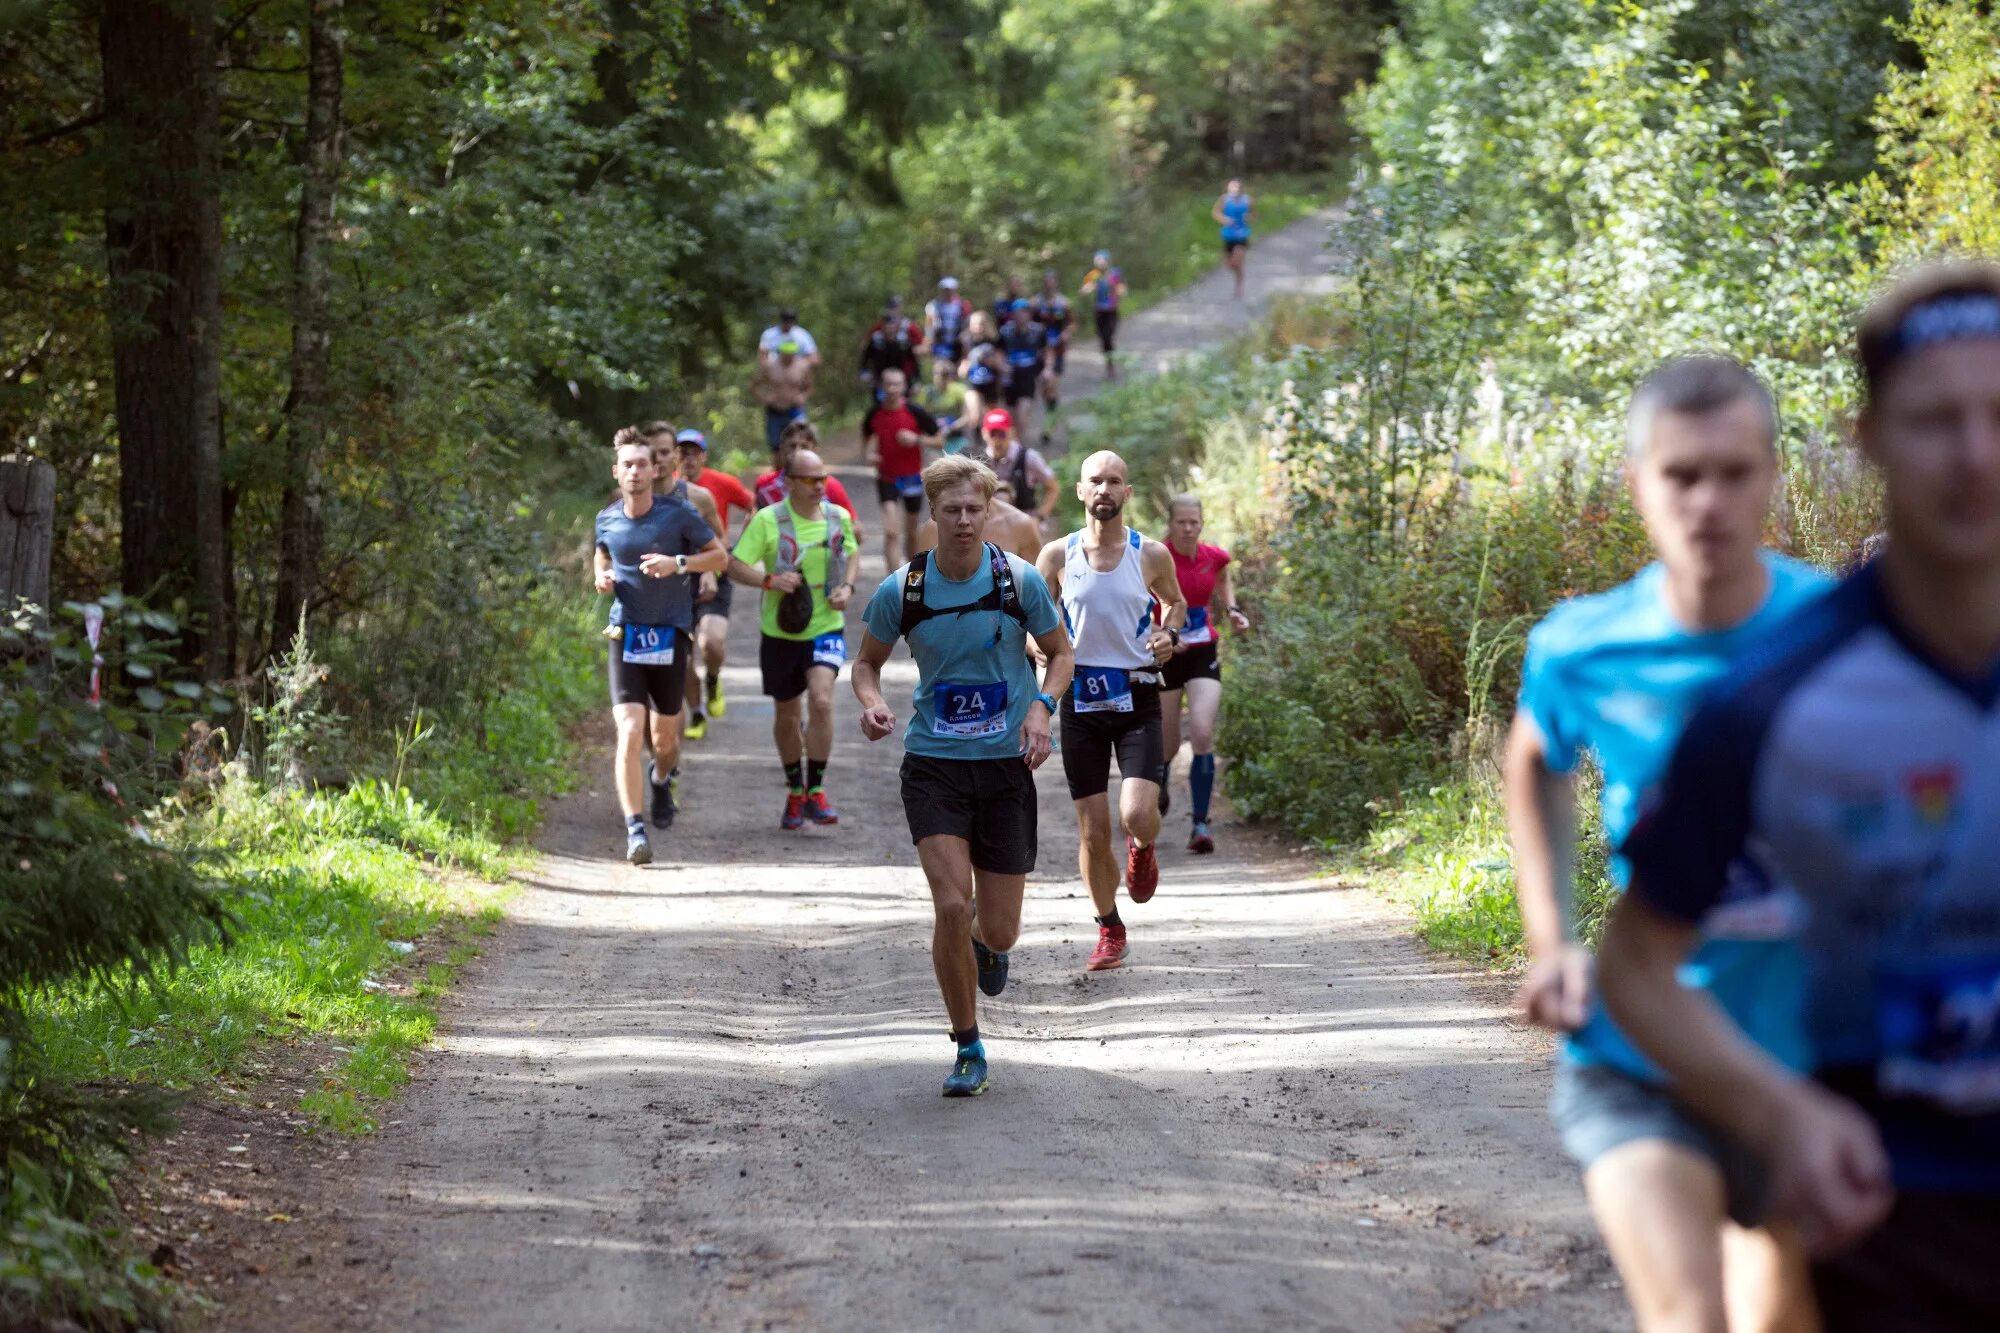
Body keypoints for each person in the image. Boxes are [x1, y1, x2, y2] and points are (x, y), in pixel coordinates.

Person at [1600, 264, 2000, 1330]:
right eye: (1934, 420)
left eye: (1998, 413)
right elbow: (1635, 965)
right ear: (1866, 436)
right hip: (1891, 1226)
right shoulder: (1770, 702)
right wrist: (1774, 1110)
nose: (1975, 457)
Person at [1503, 356, 1831, 1333]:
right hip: (1639, 1053)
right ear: (1633, 481)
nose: (1707, 502)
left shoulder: (1841, 635)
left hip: (1805, 1060)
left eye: (1733, 473)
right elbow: (1531, 761)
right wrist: (1549, 936)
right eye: (1680, 475)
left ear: (1772, 474)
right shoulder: (1580, 646)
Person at [854, 455, 1075, 1097]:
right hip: (934, 766)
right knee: (951, 905)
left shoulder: (1019, 581)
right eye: (950, 510)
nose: (962, 521)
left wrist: (1042, 706)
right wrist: (870, 701)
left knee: (998, 928)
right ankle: (968, 1045)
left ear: (989, 510)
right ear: (932, 514)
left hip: (1006, 767)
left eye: (974, 509)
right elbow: (865, 663)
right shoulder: (905, 590)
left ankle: (987, 942)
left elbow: (1060, 655)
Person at [1036, 451, 1186, 973]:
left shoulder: (1151, 554)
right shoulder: (1056, 555)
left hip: (1138, 692)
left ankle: (1142, 846)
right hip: (1080, 700)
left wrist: (1168, 634)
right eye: (1095, 481)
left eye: (1114, 481)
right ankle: (1108, 927)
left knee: (1136, 814)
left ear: (1127, 493)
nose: (1104, 489)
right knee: (1093, 832)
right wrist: (1043, 655)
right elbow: (1035, 622)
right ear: (1079, 491)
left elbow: (1176, 604)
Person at [592, 431, 730, 865]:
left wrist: (679, 564)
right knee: (630, 731)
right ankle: (635, 830)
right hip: (626, 634)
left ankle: (661, 777)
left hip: (671, 634)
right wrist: (603, 575)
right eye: (626, 465)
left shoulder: (679, 515)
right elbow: (602, 554)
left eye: (641, 464)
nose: (634, 472)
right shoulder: (607, 519)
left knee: (664, 740)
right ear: (617, 472)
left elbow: (719, 556)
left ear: (656, 470)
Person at [726, 447, 858, 829]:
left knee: (821, 700)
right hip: (780, 632)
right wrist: (768, 580)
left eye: (823, 479)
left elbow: (851, 554)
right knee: (787, 716)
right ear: (789, 482)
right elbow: (733, 564)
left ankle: (816, 791)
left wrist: (847, 587)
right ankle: (795, 790)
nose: (821, 486)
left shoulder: (839, 517)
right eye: (811, 480)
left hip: (825, 627)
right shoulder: (768, 521)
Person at [1156, 495, 1250, 853]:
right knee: (1165, 744)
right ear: (1171, 523)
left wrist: (1233, 610)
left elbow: (1224, 580)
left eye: (1194, 522)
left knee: (1202, 733)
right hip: (1166, 654)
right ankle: (1160, 783)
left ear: (1202, 522)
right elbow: (1138, 600)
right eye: (1181, 522)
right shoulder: (1155, 557)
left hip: (1203, 651)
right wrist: (1160, 633)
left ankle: (1199, 824)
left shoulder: (1215, 556)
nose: (1188, 528)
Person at [674, 428, 756, 741]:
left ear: (703, 456)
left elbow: (753, 505)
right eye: (682, 451)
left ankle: (712, 677)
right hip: (678, 575)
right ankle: (696, 713)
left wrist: (741, 545)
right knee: (683, 656)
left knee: (710, 643)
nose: (688, 457)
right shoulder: (666, 488)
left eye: (694, 451)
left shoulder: (719, 483)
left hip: (714, 570)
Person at [860, 367, 944, 574]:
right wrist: (868, 455)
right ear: (880, 386)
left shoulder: (915, 412)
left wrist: (917, 439)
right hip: (887, 477)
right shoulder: (875, 413)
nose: (891, 389)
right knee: (891, 531)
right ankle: (892, 580)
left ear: (904, 387)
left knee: (912, 532)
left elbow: (940, 440)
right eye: (887, 384)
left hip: (912, 478)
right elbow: (866, 437)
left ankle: (912, 576)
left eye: (896, 384)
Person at [754, 420, 861, 540]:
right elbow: (756, 528)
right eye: (792, 446)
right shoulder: (764, 486)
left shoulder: (830, 485)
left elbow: (855, 530)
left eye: (804, 446)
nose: (797, 451)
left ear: (814, 450)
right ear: (782, 449)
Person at [976, 407, 1058, 528]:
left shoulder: (1029, 458)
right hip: (991, 523)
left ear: (1011, 432)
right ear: (984, 434)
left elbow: (1053, 488)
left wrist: (1040, 516)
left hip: (1025, 521)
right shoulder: (979, 462)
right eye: (992, 434)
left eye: (1002, 434)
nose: (997, 440)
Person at [1030, 269, 1074, 447]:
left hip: (1057, 351)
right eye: (1046, 281)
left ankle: (1048, 426)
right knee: (1044, 389)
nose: (1049, 284)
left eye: (1052, 281)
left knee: (1051, 384)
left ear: (1055, 283)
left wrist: (1066, 334)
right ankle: (1052, 412)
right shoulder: (1034, 303)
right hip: (1039, 351)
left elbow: (1072, 322)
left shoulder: (1064, 303)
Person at [997, 299, 1046, 443]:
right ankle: (1013, 443)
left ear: (1029, 314)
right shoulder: (1005, 332)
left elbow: (1046, 351)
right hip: (1010, 377)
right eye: (1018, 312)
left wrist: (1046, 369)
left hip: (1028, 377)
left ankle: (1019, 446)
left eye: (1024, 312)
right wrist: (1002, 366)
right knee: (1011, 415)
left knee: (1023, 412)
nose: (1021, 315)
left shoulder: (1038, 331)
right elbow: (998, 352)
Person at [754, 340, 815, 453]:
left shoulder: (802, 366)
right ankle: (780, 469)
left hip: (795, 410)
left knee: (799, 441)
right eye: (786, 354)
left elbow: (810, 387)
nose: (789, 357)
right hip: (775, 410)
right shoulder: (769, 366)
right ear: (781, 352)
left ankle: (800, 467)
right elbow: (755, 386)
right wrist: (764, 397)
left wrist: (803, 396)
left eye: (791, 354)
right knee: (777, 447)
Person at [859, 295, 924, 398]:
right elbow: (865, 356)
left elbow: (916, 359)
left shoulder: (905, 339)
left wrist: (917, 381)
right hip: (880, 379)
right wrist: (865, 373)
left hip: (903, 377)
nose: (890, 330)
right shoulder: (876, 339)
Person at [924, 277, 974, 403]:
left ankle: (958, 402)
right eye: (945, 290)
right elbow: (929, 327)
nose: (948, 292)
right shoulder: (933, 306)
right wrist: (929, 342)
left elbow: (969, 325)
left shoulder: (963, 305)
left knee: (957, 374)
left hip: (958, 346)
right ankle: (940, 402)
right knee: (941, 371)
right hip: (940, 345)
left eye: (950, 290)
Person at [958, 311, 1005, 442]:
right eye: (975, 323)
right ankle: (975, 445)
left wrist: (988, 360)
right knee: (975, 415)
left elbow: (1000, 364)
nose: (978, 327)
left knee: (991, 417)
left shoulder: (995, 341)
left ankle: (991, 443)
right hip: (972, 382)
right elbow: (963, 359)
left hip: (990, 382)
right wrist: (963, 367)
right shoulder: (965, 340)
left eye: (981, 323)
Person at [1079, 251, 1125, 380]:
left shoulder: (1115, 274)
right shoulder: (1093, 275)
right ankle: (1109, 361)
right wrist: (1087, 289)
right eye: (1097, 260)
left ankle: (1110, 363)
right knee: (1103, 338)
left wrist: (1120, 291)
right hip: (1099, 312)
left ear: (1107, 261)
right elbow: (1085, 289)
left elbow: (1122, 288)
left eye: (1102, 259)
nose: (1099, 262)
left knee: (1109, 336)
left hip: (1111, 311)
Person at [1213, 179, 1253, 299]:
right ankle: (1237, 276)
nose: (1234, 190)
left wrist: (1249, 216)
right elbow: (1215, 212)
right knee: (1228, 264)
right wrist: (1224, 219)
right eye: (1232, 188)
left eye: (1237, 188)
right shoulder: (1224, 199)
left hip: (1242, 234)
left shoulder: (1247, 200)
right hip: (1228, 235)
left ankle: (1239, 285)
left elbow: (1254, 215)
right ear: (1228, 189)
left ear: (1241, 189)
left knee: (1238, 261)